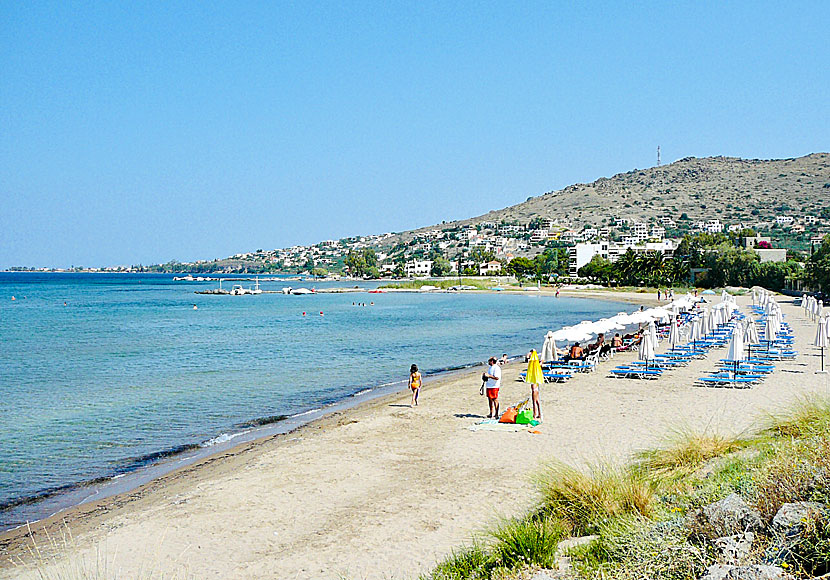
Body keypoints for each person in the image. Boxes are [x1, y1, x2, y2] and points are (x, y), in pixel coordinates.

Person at [526, 350, 543, 421]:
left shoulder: (533, 363)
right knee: (537, 401)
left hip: (534, 389)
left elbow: (527, 358)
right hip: (536, 387)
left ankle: (535, 415)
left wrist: (529, 354)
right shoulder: (537, 365)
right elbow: (542, 361)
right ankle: (540, 414)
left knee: (534, 401)